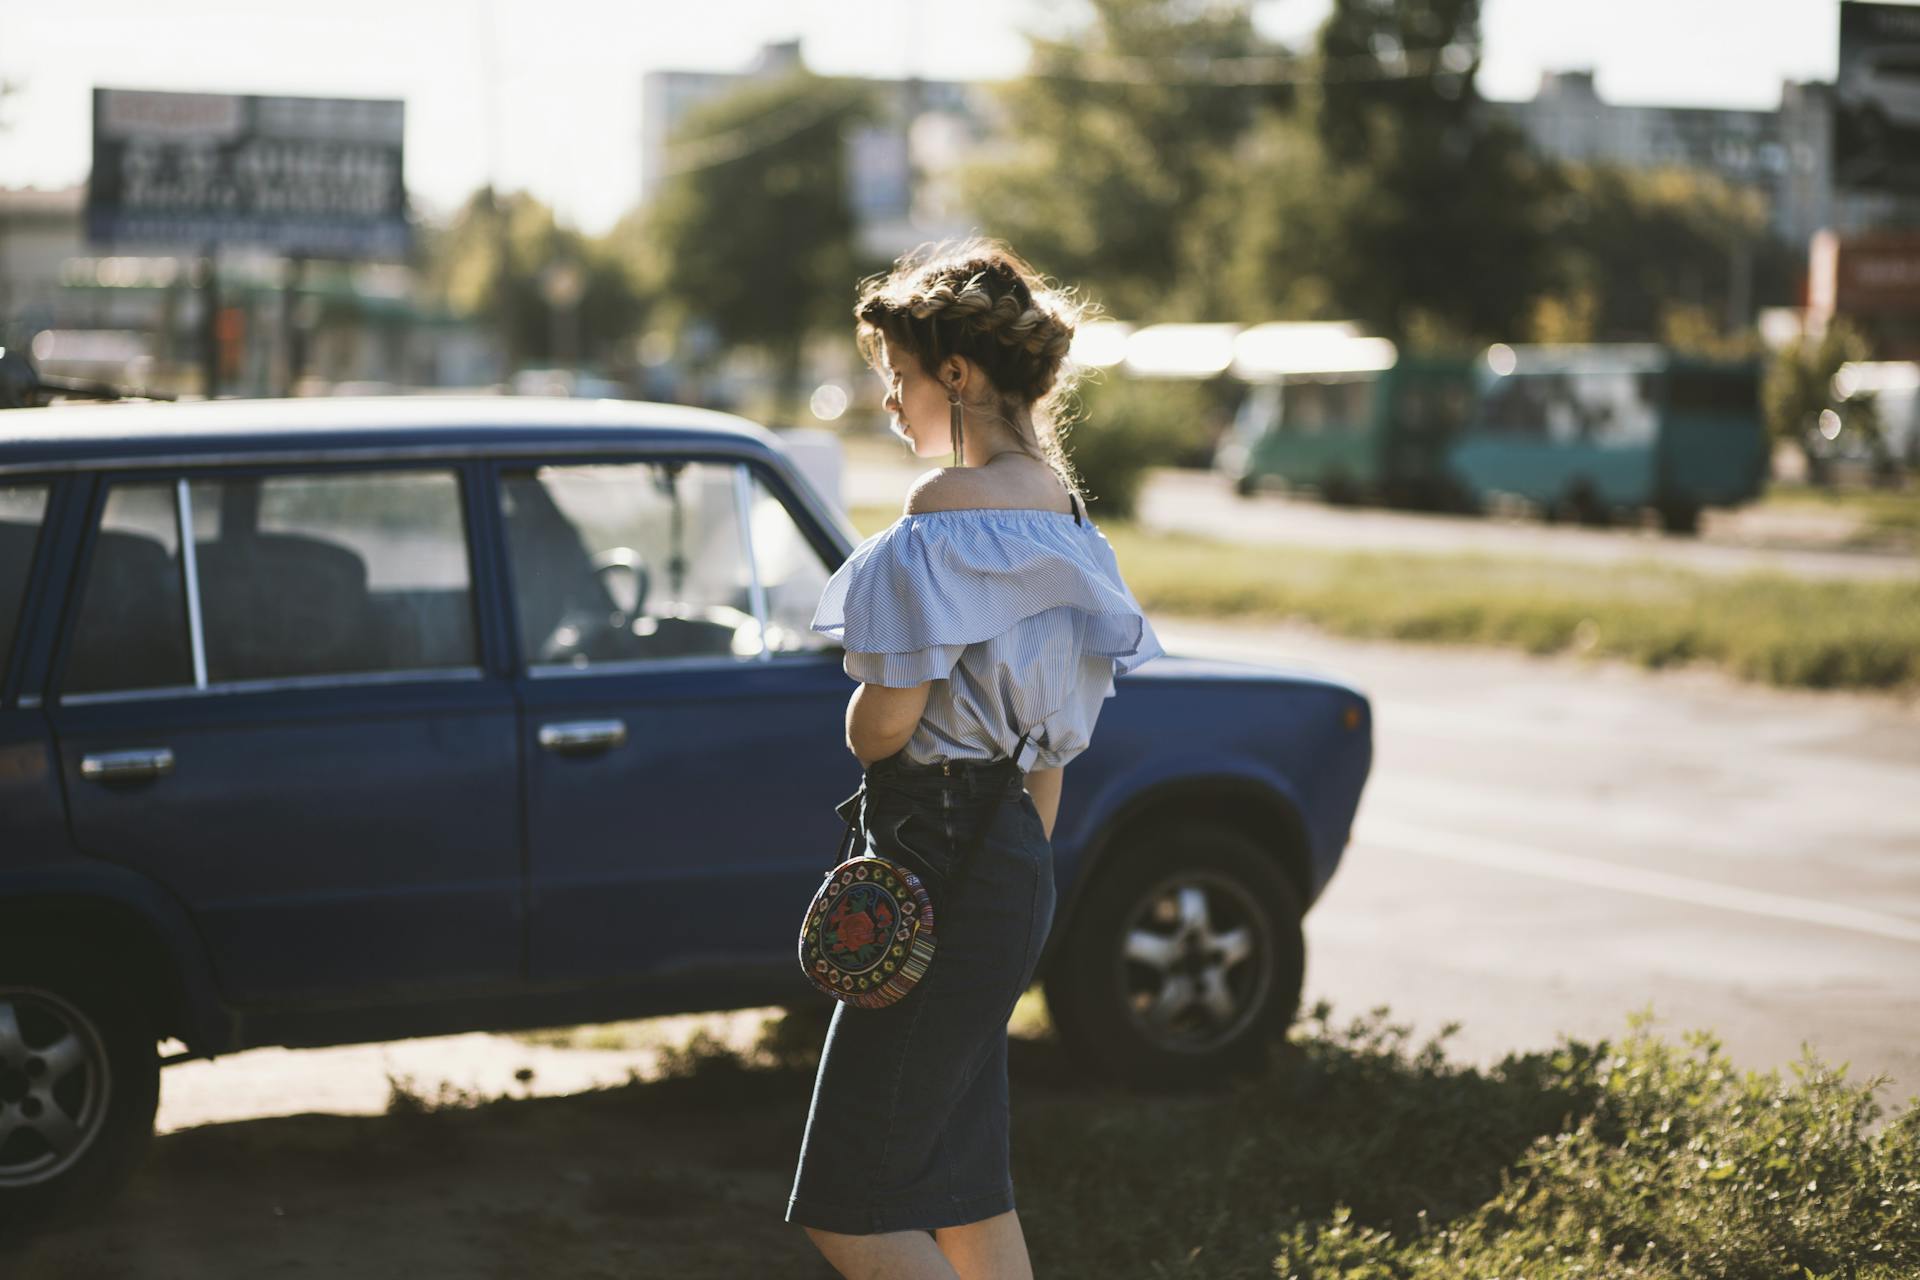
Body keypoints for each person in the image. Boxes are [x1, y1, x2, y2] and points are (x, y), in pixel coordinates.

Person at [786, 238, 1163, 1279]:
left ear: (957, 373)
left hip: (937, 851)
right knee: (963, 1192)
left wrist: (864, 711)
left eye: (899, 378)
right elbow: (1049, 762)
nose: (892, 404)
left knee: (850, 1204)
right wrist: (1003, 869)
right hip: (1007, 868)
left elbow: (884, 727)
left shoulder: (942, 519)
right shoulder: (1073, 525)